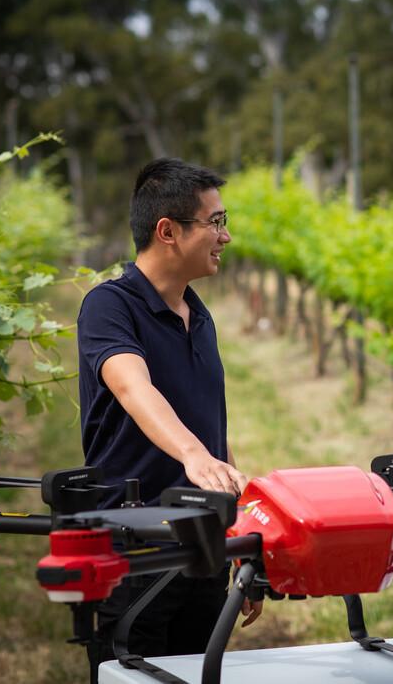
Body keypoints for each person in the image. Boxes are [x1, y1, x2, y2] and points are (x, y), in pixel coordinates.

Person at [77, 158, 260, 663]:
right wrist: (194, 456)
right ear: (167, 231)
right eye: (215, 222)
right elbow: (134, 388)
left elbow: (210, 429)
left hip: (204, 539)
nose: (225, 236)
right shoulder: (109, 307)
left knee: (197, 669)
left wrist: (241, 527)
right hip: (134, 544)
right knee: (130, 671)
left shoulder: (198, 315)